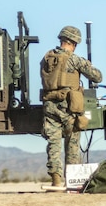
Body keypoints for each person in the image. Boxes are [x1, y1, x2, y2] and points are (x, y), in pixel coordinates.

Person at [40, 25, 102, 191]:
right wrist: (87, 64)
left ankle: (56, 181)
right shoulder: (74, 59)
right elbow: (97, 76)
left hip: (50, 105)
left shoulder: (46, 58)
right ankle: (72, 181)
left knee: (53, 143)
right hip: (69, 106)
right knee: (72, 143)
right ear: (74, 43)